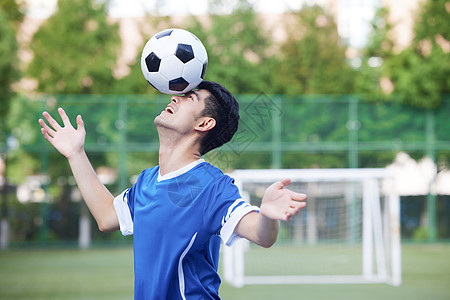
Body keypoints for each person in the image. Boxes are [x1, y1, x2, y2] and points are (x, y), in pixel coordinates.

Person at [38, 81, 307, 299]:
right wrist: (75, 154)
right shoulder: (147, 181)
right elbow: (108, 217)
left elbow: (261, 234)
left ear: (204, 124)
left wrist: (268, 216)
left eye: (189, 97)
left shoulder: (212, 186)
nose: (175, 97)